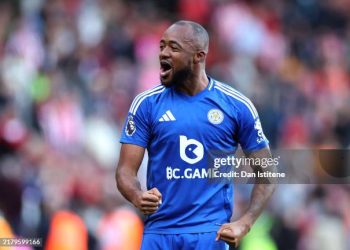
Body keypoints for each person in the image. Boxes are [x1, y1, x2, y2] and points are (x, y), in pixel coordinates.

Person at [116, 20, 276, 249]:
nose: (163, 53)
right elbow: (124, 171)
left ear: (198, 56)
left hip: (209, 234)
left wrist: (245, 223)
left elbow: (267, 173)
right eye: (162, 46)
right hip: (159, 234)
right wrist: (136, 196)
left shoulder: (236, 106)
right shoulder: (146, 104)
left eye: (174, 47)